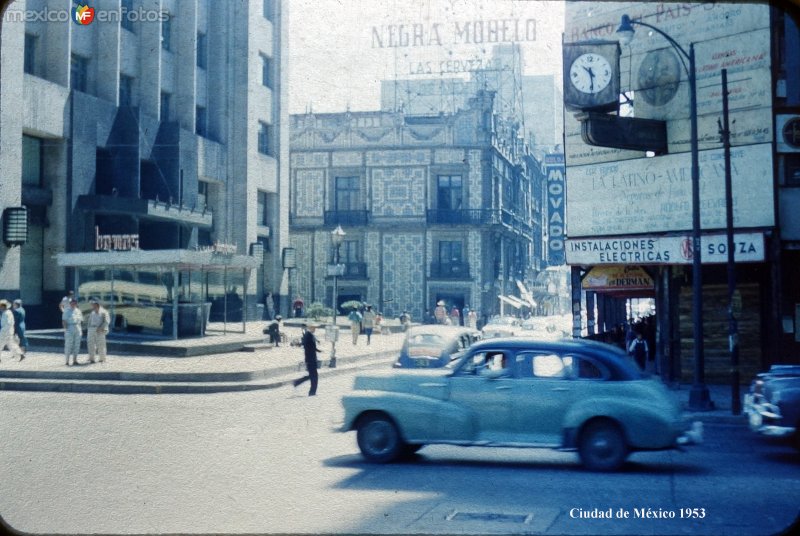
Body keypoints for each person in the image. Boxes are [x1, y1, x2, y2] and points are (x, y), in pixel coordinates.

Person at [292, 323, 321, 396]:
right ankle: (311, 392)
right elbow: (305, 344)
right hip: (310, 358)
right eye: (313, 328)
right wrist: (297, 344)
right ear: (310, 328)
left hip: (312, 358)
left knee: (313, 375)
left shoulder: (310, 335)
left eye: (315, 328)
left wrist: (318, 350)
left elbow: (311, 346)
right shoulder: (308, 335)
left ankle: (298, 383)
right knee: (314, 376)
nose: (314, 329)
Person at [87, 299, 110, 364]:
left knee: (101, 345)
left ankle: (102, 358)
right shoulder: (92, 312)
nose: (93, 306)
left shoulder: (104, 312)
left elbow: (107, 321)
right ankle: (92, 358)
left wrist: (101, 328)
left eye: (94, 305)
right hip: (92, 329)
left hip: (100, 330)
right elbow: (89, 321)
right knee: (91, 344)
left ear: (98, 304)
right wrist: (89, 328)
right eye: (92, 305)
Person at [62, 298, 83, 366]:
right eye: (72, 303)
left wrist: (80, 330)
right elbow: (64, 321)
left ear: (76, 304)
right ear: (70, 303)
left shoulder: (78, 311)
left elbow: (81, 320)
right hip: (69, 327)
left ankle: (75, 360)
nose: (73, 304)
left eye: (75, 303)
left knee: (77, 345)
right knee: (68, 345)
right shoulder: (67, 311)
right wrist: (66, 330)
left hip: (77, 328)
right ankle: (67, 361)